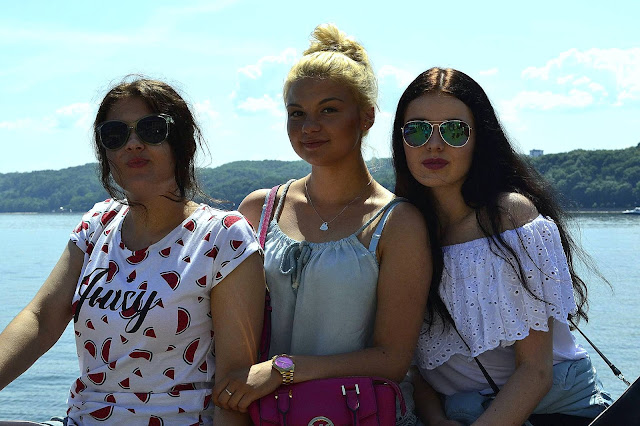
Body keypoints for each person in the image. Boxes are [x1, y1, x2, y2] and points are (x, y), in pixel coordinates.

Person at [0, 77, 265, 425]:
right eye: (115, 135)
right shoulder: (98, 223)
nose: (133, 144)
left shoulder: (223, 237)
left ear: (181, 141)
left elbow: (233, 384)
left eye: (152, 130)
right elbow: (41, 318)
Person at [211, 24, 431, 423]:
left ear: (366, 117)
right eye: (297, 113)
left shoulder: (398, 223)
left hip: (361, 416)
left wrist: (283, 369)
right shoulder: (260, 210)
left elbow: (392, 359)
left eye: (329, 110)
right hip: (271, 417)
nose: (309, 126)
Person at [391, 67, 613, 425]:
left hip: (552, 411)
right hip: (460, 413)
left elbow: (535, 371)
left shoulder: (510, 219)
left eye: (454, 130)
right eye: (417, 130)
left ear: (480, 139)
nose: (434, 144)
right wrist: (436, 419)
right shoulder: (401, 229)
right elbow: (414, 367)